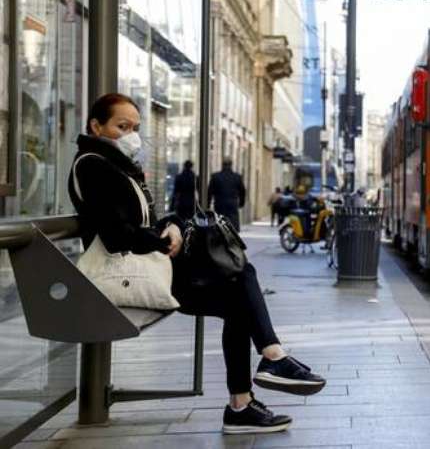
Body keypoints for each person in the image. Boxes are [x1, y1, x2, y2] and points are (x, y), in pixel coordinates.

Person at [69, 93, 325, 435]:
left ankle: (244, 401)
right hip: (126, 274)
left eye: (136, 127)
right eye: (122, 126)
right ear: (96, 126)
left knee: (238, 292)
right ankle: (270, 361)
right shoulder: (92, 164)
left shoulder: (118, 165)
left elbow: (145, 221)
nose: (131, 134)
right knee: (239, 273)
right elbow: (117, 236)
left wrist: (171, 226)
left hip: (146, 267)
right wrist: (163, 241)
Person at [209, 157, 246, 232]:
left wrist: (207, 203)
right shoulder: (237, 177)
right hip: (232, 204)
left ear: (222, 165)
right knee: (232, 224)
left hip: (219, 203)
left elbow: (210, 191)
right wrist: (241, 203)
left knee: (219, 223)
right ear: (231, 165)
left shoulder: (215, 176)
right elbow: (243, 191)